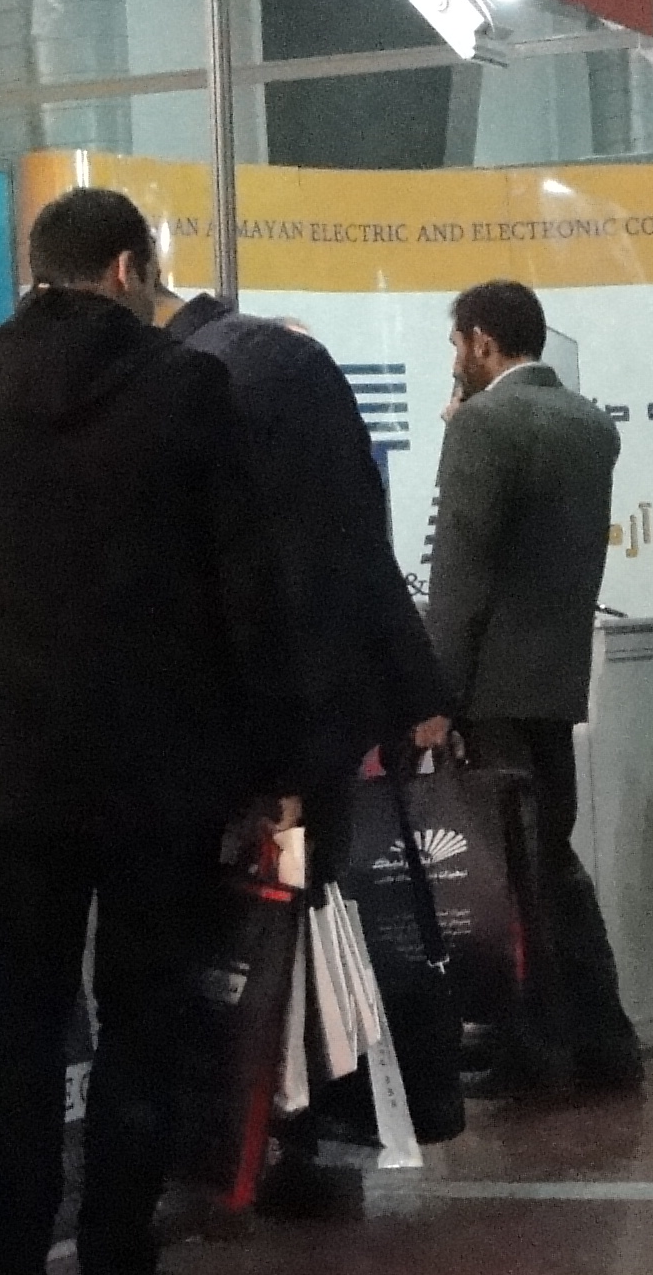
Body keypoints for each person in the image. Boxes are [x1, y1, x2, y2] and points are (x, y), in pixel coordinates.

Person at [0, 188, 301, 1275]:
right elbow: (245, 579)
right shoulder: (191, 388)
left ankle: (6, 1262)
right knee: (144, 1011)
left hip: (15, 757)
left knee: (19, 1017)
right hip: (159, 756)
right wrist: (275, 756)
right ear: (129, 266)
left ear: (40, 266)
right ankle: (120, 1261)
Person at [168, 282, 452, 1215]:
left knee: (248, 933)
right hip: (314, 726)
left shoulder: (205, 381)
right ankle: (291, 1136)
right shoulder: (289, 381)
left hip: (258, 733)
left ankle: (242, 1143)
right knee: (294, 916)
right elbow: (361, 555)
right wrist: (414, 693)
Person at [424, 279, 643, 1095]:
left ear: (482, 340)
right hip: (555, 679)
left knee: (514, 876)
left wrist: (437, 696)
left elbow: (462, 571)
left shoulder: (483, 426)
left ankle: (541, 1049)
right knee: (549, 861)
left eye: (458, 345)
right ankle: (601, 1039)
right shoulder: (589, 425)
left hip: (492, 688)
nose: (456, 360)